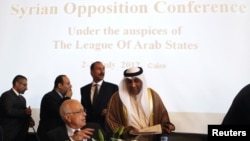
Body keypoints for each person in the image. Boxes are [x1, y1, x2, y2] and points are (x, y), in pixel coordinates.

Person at [106, 67, 175, 141]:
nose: (133, 85)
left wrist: (167, 125)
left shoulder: (152, 95)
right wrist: (128, 131)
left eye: (136, 81)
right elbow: (110, 121)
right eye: (129, 82)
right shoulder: (117, 98)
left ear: (142, 81)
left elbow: (162, 115)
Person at [80, 61, 118, 131]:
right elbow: (83, 108)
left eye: (103, 69)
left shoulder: (113, 88)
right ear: (91, 72)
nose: (102, 71)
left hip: (106, 127)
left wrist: (109, 111)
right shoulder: (84, 89)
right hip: (89, 127)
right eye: (99, 69)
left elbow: (118, 107)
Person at [37, 74, 72, 141]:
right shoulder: (49, 97)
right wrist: (67, 98)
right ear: (60, 85)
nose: (70, 86)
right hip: (48, 134)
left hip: (58, 134)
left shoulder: (62, 98)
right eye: (68, 84)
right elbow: (61, 112)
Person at [0, 75, 35, 141]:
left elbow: (23, 112)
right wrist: (25, 112)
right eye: (24, 85)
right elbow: (8, 111)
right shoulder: (7, 95)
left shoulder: (22, 98)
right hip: (9, 134)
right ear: (17, 84)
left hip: (21, 134)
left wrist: (29, 119)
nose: (26, 88)